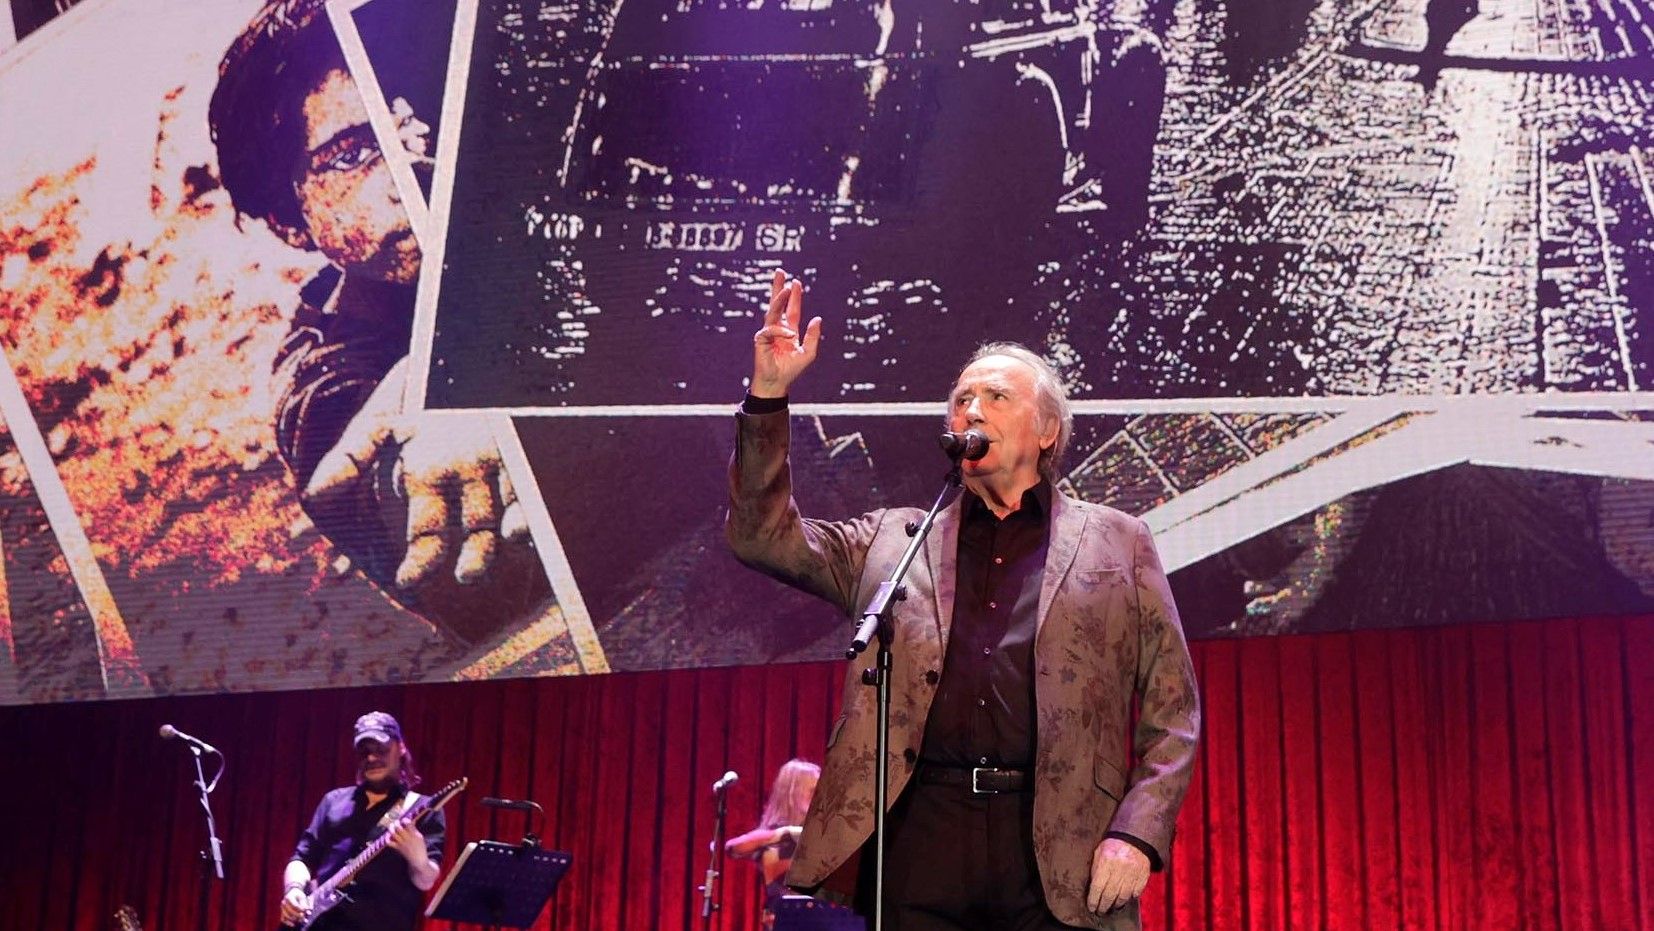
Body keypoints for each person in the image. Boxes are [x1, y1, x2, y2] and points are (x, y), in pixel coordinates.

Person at [725, 270, 1200, 929]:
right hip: (920, 841)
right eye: (960, 399)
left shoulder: (1119, 542)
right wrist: (768, 397)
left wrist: (1138, 832)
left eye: (995, 396)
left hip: (1059, 847)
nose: (970, 409)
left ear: (1045, 431)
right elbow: (760, 537)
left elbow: (1174, 713)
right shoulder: (893, 542)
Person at [208, 0, 549, 646]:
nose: (407, 163)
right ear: (291, 220)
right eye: (351, 153)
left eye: (415, 115)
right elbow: (409, 507)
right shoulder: (322, 384)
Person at [280, 712, 445, 930]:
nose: (372, 758)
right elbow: (302, 858)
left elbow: (425, 881)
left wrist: (418, 858)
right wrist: (293, 890)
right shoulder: (333, 801)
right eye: (364, 751)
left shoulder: (421, 810)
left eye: (380, 749)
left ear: (401, 747)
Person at [726, 759, 822, 912]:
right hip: (785, 919)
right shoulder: (773, 837)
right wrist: (786, 833)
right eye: (812, 791)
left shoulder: (820, 832)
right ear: (794, 792)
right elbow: (733, 848)